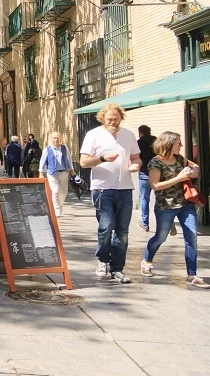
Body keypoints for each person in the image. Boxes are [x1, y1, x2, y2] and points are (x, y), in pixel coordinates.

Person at [79, 103, 140, 284]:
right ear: (102, 118)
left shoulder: (128, 135)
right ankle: (103, 260)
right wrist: (102, 158)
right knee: (106, 227)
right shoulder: (93, 135)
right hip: (102, 189)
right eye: (109, 119)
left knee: (122, 231)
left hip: (125, 188)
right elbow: (83, 162)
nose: (113, 121)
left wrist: (136, 165)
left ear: (121, 117)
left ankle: (117, 268)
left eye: (116, 118)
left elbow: (136, 157)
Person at [140, 131, 209, 288]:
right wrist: (179, 178)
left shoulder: (179, 158)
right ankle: (146, 260)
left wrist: (193, 171)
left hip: (186, 205)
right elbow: (155, 185)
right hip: (166, 206)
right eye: (178, 143)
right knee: (161, 237)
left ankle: (192, 275)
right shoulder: (155, 163)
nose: (181, 145)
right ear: (169, 144)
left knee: (191, 237)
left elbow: (195, 166)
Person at [40, 131, 75, 218]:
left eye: (57, 138)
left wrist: (72, 170)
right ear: (51, 139)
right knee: (55, 191)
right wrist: (41, 172)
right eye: (54, 138)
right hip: (52, 173)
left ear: (60, 139)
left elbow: (68, 160)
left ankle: (60, 204)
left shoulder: (64, 148)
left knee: (63, 192)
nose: (56, 140)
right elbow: (42, 161)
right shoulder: (47, 149)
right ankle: (57, 210)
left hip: (64, 172)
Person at [136, 124, 157, 232]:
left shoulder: (139, 143)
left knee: (144, 199)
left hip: (144, 174)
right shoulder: (156, 141)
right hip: (157, 173)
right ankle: (163, 222)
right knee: (160, 198)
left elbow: (136, 157)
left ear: (140, 133)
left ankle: (145, 224)